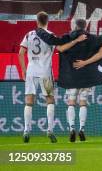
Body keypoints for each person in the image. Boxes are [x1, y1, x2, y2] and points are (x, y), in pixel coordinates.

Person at [36, 18, 102, 142]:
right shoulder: (93, 38)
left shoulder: (67, 37)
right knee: (83, 102)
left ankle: (71, 128)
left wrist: (40, 31)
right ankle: (82, 129)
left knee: (71, 102)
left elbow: (57, 46)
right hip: (87, 76)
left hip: (71, 75)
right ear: (85, 26)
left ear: (75, 26)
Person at [18, 12, 86, 143]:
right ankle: (49, 130)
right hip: (45, 72)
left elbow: (21, 52)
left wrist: (23, 69)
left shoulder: (29, 34)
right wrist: (76, 40)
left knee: (29, 100)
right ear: (47, 21)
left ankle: (26, 130)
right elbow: (61, 48)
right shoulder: (50, 35)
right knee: (50, 100)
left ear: (37, 21)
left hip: (31, 71)